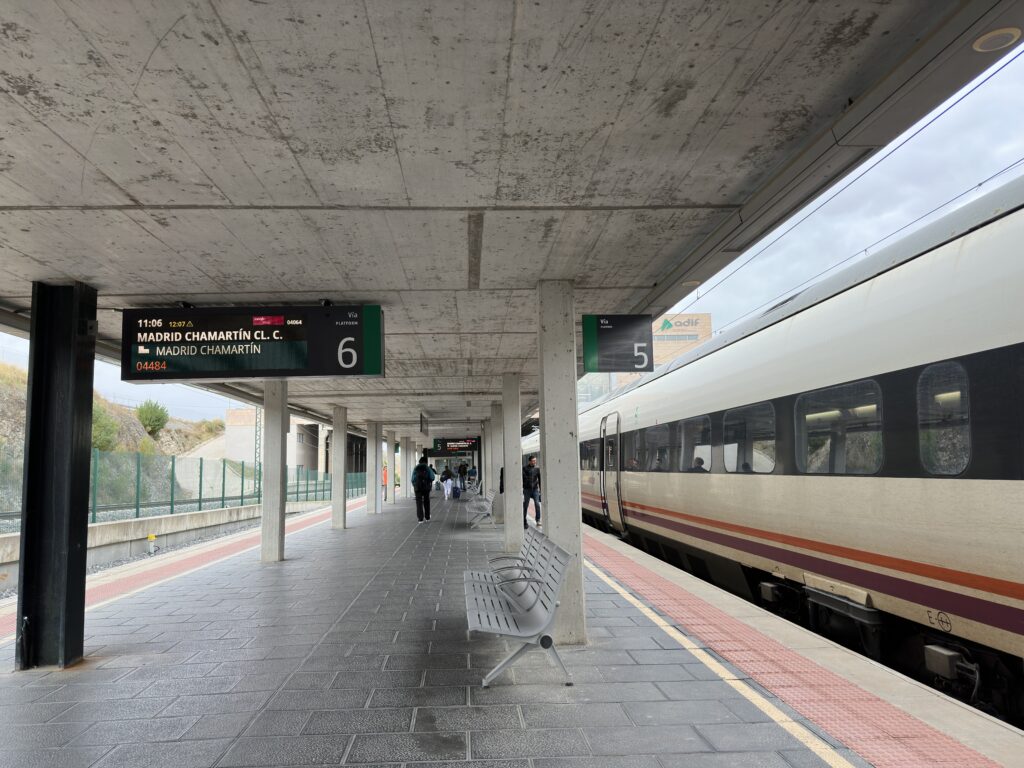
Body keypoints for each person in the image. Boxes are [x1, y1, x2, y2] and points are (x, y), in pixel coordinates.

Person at [411, 457, 436, 523]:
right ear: (426, 462)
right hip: (426, 487)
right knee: (426, 502)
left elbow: (412, 479)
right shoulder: (427, 468)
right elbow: (432, 477)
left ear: (419, 462)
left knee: (418, 503)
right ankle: (427, 517)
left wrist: (415, 485)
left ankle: (420, 519)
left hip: (418, 488)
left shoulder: (416, 468)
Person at [522, 455, 541, 529]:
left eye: (535, 461)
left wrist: (540, 490)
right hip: (527, 490)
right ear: (529, 461)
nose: (534, 462)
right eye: (533, 461)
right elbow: (523, 478)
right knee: (525, 505)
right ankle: (523, 520)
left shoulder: (537, 468)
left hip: (535, 489)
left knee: (537, 504)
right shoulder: (524, 468)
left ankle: (538, 519)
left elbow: (540, 479)